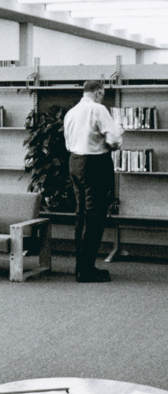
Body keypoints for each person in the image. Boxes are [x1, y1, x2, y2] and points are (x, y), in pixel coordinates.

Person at [63, 81, 123, 283]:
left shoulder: (71, 112)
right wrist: (118, 135)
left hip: (75, 162)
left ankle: (81, 267)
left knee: (81, 214)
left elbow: (68, 142)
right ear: (98, 93)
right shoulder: (98, 109)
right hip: (95, 164)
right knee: (95, 216)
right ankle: (87, 271)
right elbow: (114, 140)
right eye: (102, 95)